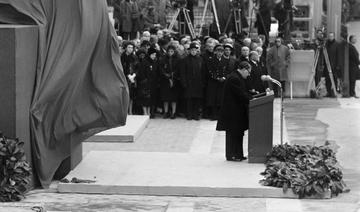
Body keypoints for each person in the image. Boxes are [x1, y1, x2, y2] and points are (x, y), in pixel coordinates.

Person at [216, 61, 253, 161]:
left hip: (237, 111)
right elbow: (240, 94)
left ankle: (238, 154)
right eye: (248, 72)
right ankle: (232, 155)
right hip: (232, 112)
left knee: (238, 133)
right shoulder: (234, 78)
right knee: (233, 134)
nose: (248, 74)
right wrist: (252, 99)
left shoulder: (237, 76)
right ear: (244, 69)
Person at [180, 43, 204, 120]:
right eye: (192, 50)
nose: (193, 51)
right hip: (189, 82)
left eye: (195, 50)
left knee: (197, 99)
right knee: (189, 99)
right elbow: (182, 72)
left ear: (197, 51)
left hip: (198, 83)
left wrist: (202, 82)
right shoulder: (185, 60)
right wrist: (184, 82)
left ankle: (196, 114)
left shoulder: (200, 59)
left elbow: (203, 71)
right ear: (189, 51)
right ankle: (189, 114)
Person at [206, 44, 228, 120]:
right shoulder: (211, 60)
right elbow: (210, 71)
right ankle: (213, 115)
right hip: (213, 81)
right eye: (218, 52)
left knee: (220, 98)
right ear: (215, 52)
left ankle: (220, 115)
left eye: (221, 52)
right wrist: (217, 78)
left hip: (222, 82)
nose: (220, 53)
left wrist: (224, 77)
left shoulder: (225, 60)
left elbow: (227, 70)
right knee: (213, 98)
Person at [136, 47, 159, 117]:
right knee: (145, 99)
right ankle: (145, 112)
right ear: (149, 54)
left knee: (151, 99)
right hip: (145, 83)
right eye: (153, 55)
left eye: (155, 55)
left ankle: (149, 112)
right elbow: (141, 73)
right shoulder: (144, 62)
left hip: (153, 84)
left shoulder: (154, 62)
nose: (154, 56)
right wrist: (144, 80)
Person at [159, 45, 180, 119]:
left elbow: (178, 69)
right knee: (165, 97)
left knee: (174, 98)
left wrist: (172, 75)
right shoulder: (163, 59)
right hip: (165, 80)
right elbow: (161, 69)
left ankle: (173, 112)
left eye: (172, 51)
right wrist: (166, 75)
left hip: (175, 80)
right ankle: (166, 112)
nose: (170, 53)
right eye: (169, 51)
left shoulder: (177, 59)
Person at [121, 41, 138, 114]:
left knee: (132, 95)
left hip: (133, 78)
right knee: (125, 95)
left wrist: (134, 75)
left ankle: (130, 111)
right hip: (125, 78)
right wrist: (128, 75)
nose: (130, 49)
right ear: (125, 48)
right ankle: (125, 111)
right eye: (129, 47)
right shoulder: (122, 57)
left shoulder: (134, 57)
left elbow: (137, 67)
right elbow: (122, 67)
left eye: (132, 47)